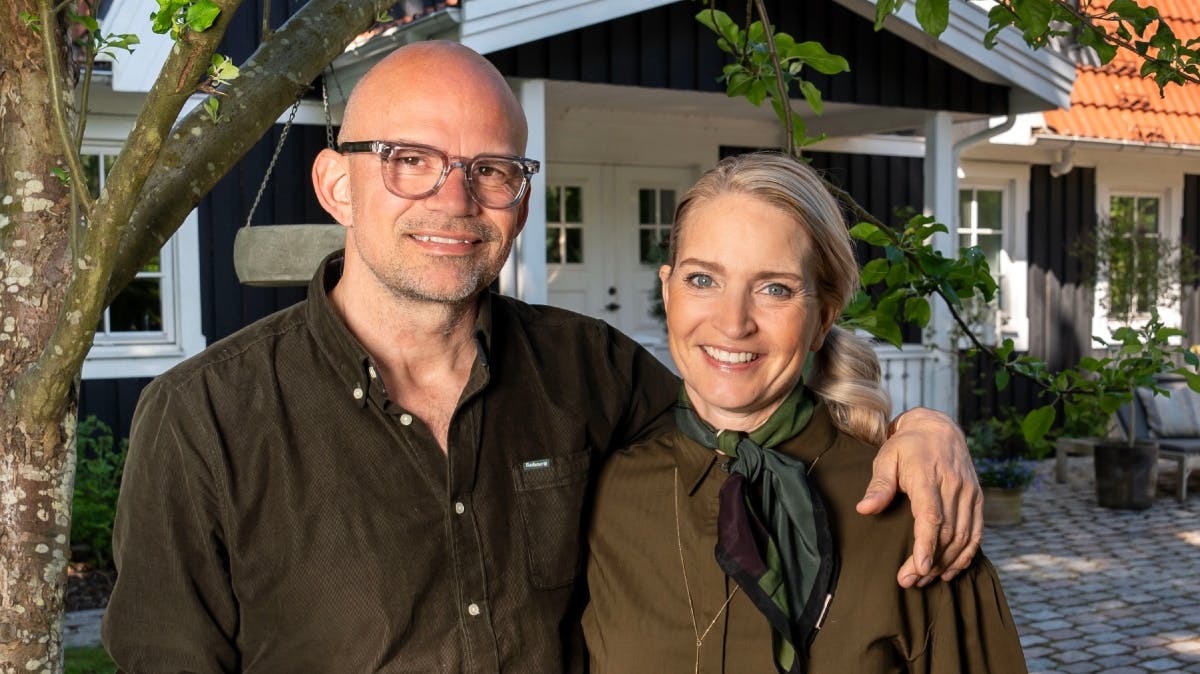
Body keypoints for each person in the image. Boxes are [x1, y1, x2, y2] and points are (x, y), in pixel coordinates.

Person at [103, 42, 981, 672]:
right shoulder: (204, 419)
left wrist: (919, 426)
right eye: (412, 160)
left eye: (492, 169)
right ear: (338, 184)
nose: (456, 199)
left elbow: (744, 402)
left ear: (521, 200)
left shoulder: (588, 370)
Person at [582, 152, 1024, 673]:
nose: (733, 323)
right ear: (667, 289)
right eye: (703, 279)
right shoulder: (600, 488)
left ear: (822, 318)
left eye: (775, 289)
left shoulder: (915, 515)